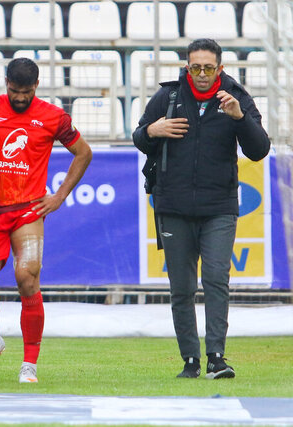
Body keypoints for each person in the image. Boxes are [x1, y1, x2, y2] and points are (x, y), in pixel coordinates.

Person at [0, 58, 93, 383]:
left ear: (36, 86)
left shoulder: (53, 117)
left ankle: (30, 365)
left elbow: (83, 152)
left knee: (27, 280)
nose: (20, 97)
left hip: (28, 211)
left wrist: (59, 196)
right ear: (5, 82)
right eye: (14, 90)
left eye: (26, 92)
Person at [133, 38, 270, 379]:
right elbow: (138, 136)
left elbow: (259, 149)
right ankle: (190, 361)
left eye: (209, 68)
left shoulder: (236, 98)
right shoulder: (169, 96)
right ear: (187, 67)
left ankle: (216, 358)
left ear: (220, 69)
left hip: (219, 207)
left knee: (215, 280)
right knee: (181, 287)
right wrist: (153, 129)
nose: (202, 74)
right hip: (173, 205)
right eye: (196, 67)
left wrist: (239, 118)